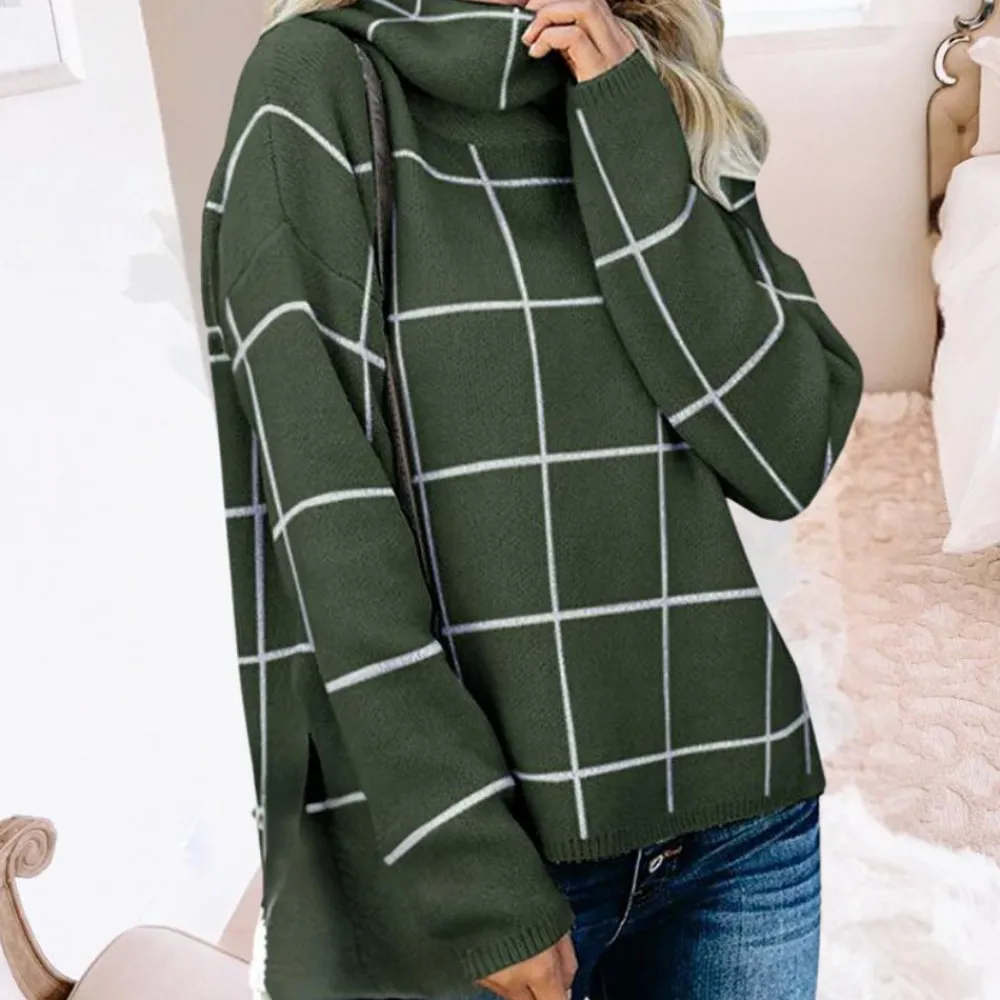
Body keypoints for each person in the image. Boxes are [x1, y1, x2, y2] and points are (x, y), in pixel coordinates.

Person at [201, 0, 864, 996]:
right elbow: (329, 534)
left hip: (743, 823)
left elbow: (785, 453)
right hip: (517, 853)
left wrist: (627, 121)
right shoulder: (313, 85)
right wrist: (475, 875)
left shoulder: (651, 75)